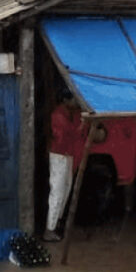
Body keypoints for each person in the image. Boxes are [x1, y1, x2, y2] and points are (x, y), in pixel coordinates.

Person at [44, 88, 84, 242]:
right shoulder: (59, 115)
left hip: (66, 154)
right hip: (59, 155)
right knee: (58, 191)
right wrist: (80, 127)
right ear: (66, 100)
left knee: (65, 188)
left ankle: (56, 222)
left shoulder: (69, 113)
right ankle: (50, 228)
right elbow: (66, 135)